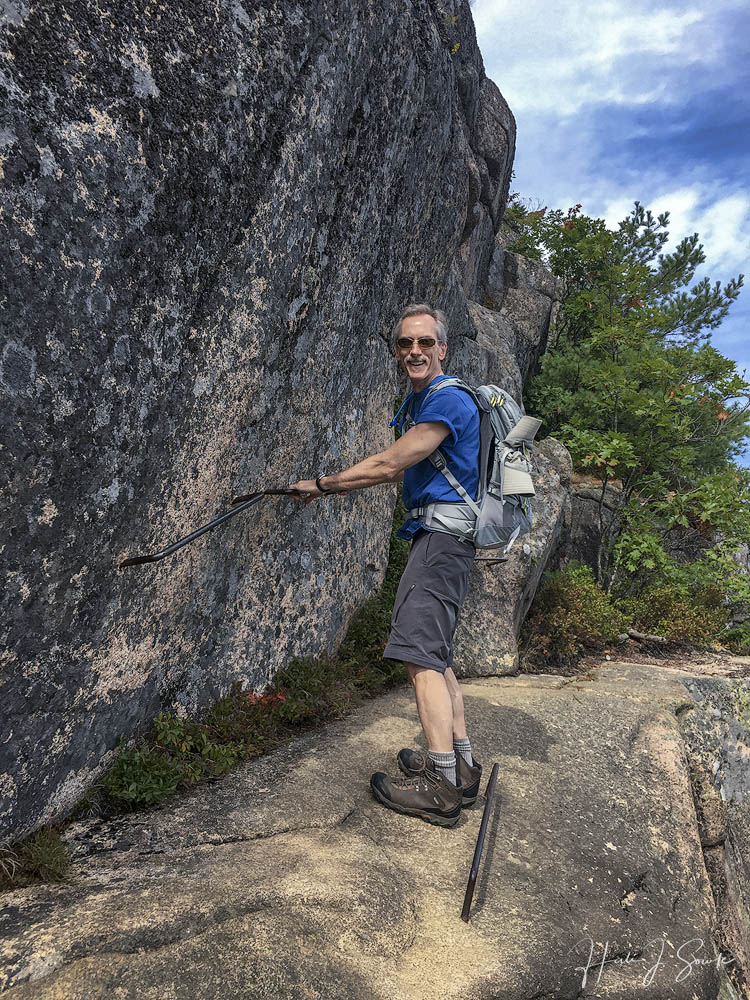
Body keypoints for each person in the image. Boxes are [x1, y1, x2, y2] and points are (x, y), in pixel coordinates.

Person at [289, 303, 482, 827]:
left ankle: (441, 788)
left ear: (443, 348)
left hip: (440, 541)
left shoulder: (449, 401)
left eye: (424, 342)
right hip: (443, 539)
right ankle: (462, 769)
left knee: (420, 658)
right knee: (437, 658)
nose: (413, 351)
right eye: (404, 344)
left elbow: (390, 463)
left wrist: (323, 484)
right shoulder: (424, 400)